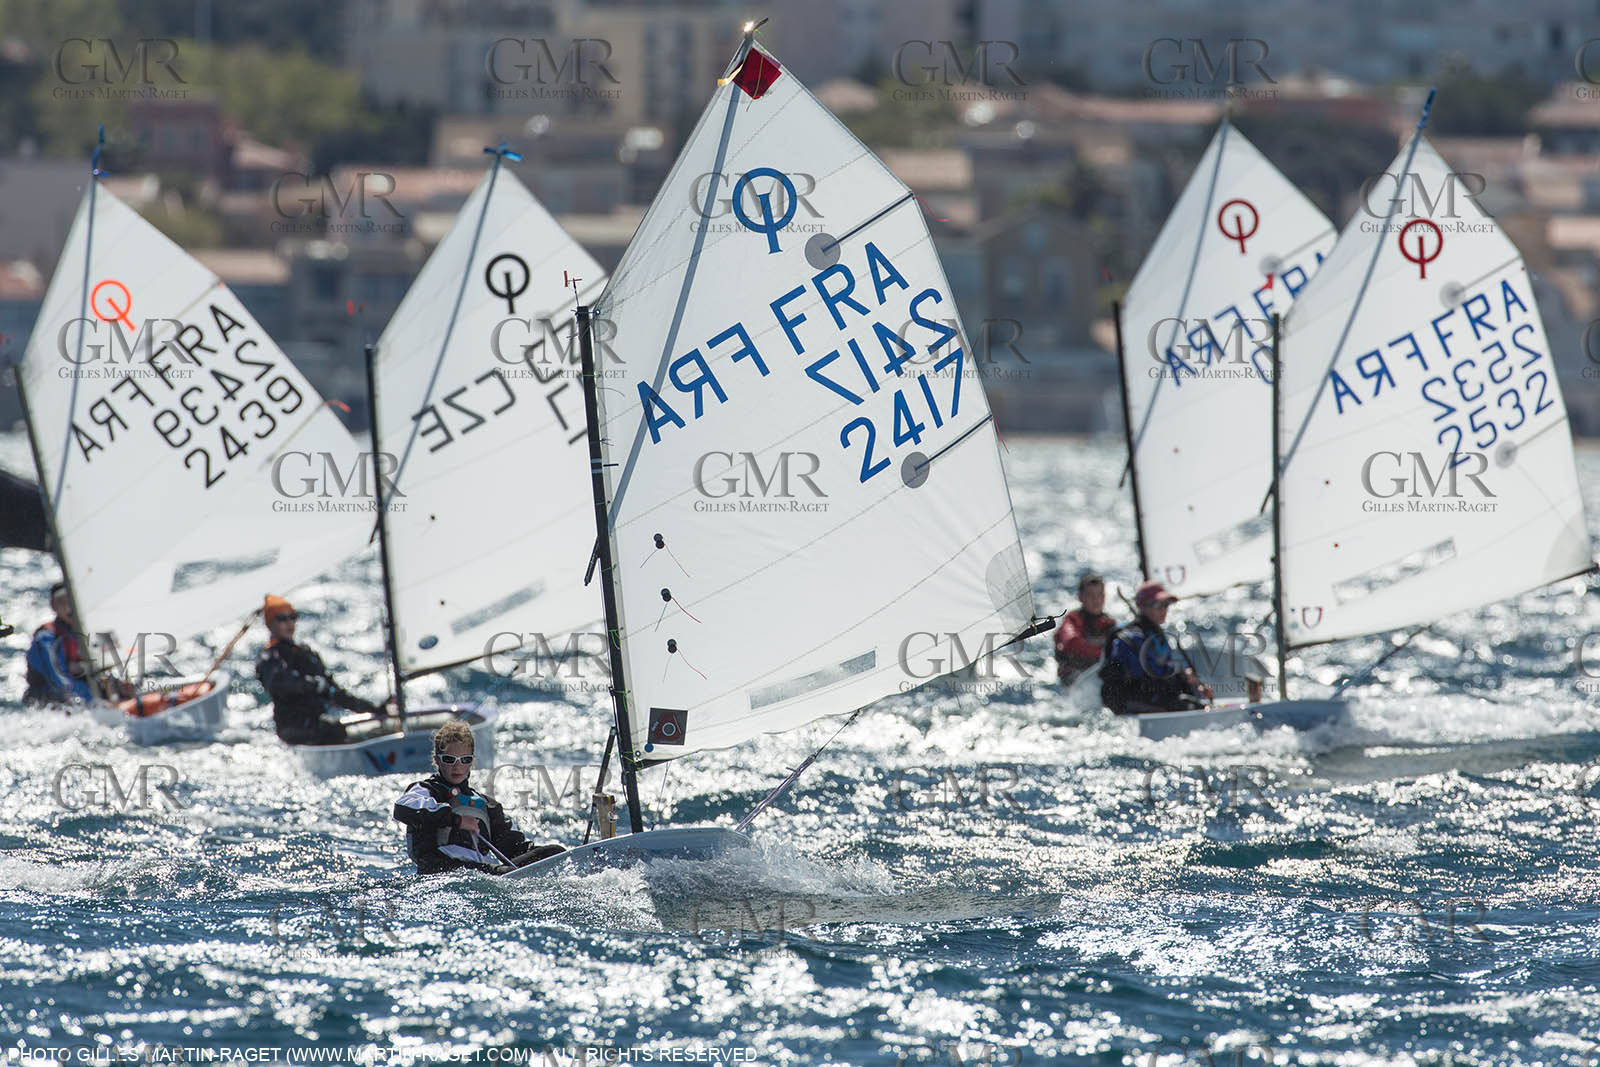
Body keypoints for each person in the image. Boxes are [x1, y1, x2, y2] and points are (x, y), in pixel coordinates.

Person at [393, 721, 567, 875]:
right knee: (497, 872)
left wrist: (539, 855)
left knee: (555, 851)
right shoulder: (425, 791)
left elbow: (512, 849)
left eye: (465, 759)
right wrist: (457, 821)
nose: (457, 766)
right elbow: (402, 809)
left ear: (472, 762)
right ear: (436, 761)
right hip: (441, 871)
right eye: (449, 759)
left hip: (482, 871)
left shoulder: (485, 804)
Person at [255, 594, 387, 745]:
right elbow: (277, 684)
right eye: (282, 619)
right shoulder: (270, 657)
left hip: (316, 722)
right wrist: (311, 684)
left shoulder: (306, 654)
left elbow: (334, 692)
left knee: (335, 728)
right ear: (270, 624)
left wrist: (374, 709)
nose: (289, 623)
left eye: (292, 617)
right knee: (332, 730)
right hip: (293, 727)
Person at [1100, 580, 1213, 714]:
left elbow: (1165, 674)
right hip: (1128, 700)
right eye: (1158, 605)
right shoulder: (1131, 638)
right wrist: (1182, 677)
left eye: (1166, 605)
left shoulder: (1156, 634)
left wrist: (1191, 685)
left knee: (1192, 699)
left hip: (1150, 695)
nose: (1164, 610)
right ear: (1142, 607)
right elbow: (1149, 676)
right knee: (1188, 705)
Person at [24, 582, 92, 705]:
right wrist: (93, 697)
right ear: (53, 606)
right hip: (48, 702)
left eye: (70, 601)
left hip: (82, 696)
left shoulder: (86, 634)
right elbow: (59, 682)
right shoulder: (46, 638)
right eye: (62, 603)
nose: (68, 608)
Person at [1054, 573, 1116, 685]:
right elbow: (1072, 643)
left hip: (1100, 677)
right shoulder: (1072, 620)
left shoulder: (1109, 624)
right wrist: (1105, 655)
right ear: (1080, 597)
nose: (1096, 600)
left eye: (1100, 595)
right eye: (1091, 595)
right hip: (1077, 680)